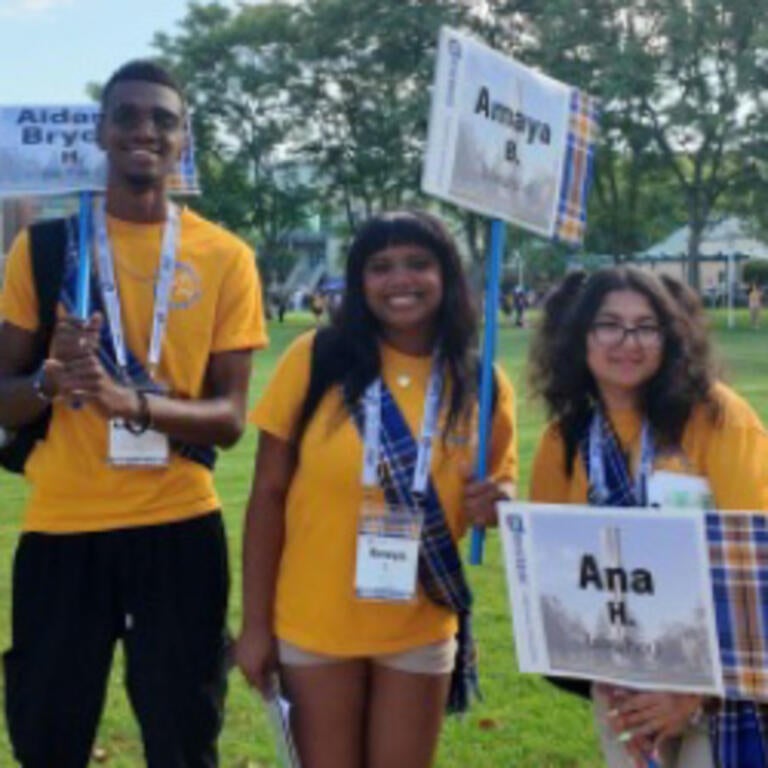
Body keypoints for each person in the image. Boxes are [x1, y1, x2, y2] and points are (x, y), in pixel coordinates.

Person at [0, 60, 268, 767]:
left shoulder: (226, 257)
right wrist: (51, 381)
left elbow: (231, 418)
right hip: (63, 528)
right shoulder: (46, 249)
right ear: (102, 131)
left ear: (184, 138)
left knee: (183, 736)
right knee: (46, 736)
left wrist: (134, 405)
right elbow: (3, 395)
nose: (144, 129)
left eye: (162, 118)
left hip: (178, 527)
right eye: (127, 116)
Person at [235, 210, 517, 768]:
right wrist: (255, 627)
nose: (400, 280)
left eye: (418, 264)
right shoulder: (315, 359)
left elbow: (498, 486)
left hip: (418, 622)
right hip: (313, 621)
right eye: (380, 266)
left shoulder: (479, 380)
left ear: (447, 276)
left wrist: (499, 503)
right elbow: (267, 495)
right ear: (359, 282)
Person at [528, 266, 768, 768]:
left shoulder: (718, 418)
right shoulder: (564, 439)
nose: (628, 342)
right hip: (620, 680)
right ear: (580, 337)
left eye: (646, 326)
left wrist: (693, 695)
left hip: (725, 680)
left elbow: (755, 571)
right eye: (609, 324)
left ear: (670, 337)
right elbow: (550, 572)